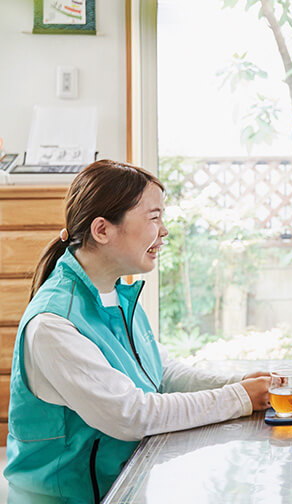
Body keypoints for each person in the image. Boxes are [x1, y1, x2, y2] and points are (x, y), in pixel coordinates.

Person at [4, 160, 274, 503]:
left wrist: (237, 382)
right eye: (154, 217)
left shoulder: (113, 292)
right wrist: (238, 398)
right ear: (103, 231)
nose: (164, 231)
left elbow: (161, 371)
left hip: (122, 485)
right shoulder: (53, 325)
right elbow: (130, 415)